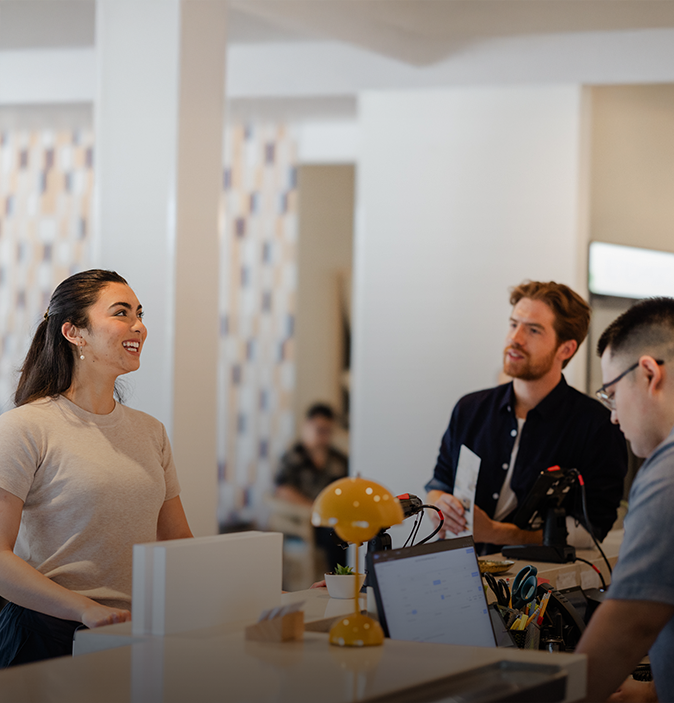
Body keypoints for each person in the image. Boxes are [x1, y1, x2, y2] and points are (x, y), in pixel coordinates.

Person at [0, 269, 193, 667]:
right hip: (46, 636)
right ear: (74, 333)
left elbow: (179, 544)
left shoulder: (150, 431)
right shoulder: (24, 427)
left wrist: (262, 592)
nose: (138, 327)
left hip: (133, 633)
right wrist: (84, 609)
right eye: (121, 313)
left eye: (140, 314)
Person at [425, 281, 627, 553]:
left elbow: (592, 531)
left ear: (565, 349)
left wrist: (498, 533)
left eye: (533, 330)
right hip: (458, 571)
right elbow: (438, 484)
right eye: (513, 324)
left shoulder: (597, 426)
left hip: (536, 586)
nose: (515, 338)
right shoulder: (470, 408)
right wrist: (440, 505)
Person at [576, 297, 674, 703]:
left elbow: (630, 626)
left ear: (649, 372)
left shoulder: (668, 473)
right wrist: (656, 690)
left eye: (611, 394)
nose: (613, 415)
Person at [275, 403, 348, 570]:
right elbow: (283, 489)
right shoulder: (294, 456)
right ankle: (338, 581)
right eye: (319, 429)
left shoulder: (337, 458)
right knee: (335, 535)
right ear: (306, 426)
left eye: (328, 431)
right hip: (305, 519)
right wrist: (315, 508)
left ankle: (353, 581)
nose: (323, 435)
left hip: (334, 516)